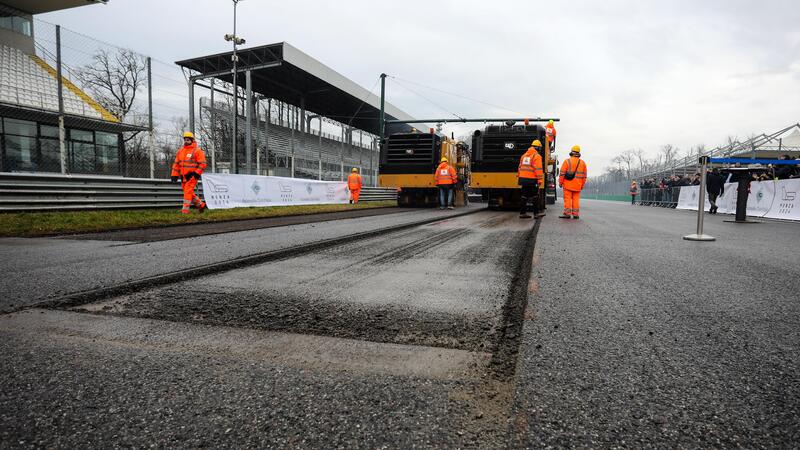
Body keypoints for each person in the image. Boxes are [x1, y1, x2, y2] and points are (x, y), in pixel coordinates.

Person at [171, 131, 207, 214]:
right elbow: (176, 164)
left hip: (192, 176)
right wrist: (174, 175)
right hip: (183, 177)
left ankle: (185, 210)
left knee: (187, 192)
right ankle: (201, 205)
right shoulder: (180, 151)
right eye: (185, 140)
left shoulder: (197, 151)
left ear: (192, 140)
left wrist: (196, 173)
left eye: (188, 140)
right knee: (189, 192)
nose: (186, 141)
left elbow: (203, 164)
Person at [517, 140, 545, 219]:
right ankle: (536, 214)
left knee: (524, 196)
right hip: (532, 180)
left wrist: (520, 177)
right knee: (535, 196)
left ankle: (522, 213)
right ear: (538, 147)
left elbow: (519, 168)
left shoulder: (523, 156)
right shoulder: (537, 156)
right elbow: (538, 169)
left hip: (523, 179)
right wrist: (540, 180)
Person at [558, 145, 587, 219]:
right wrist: (582, 185)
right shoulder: (583, 163)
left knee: (567, 199)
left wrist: (560, 183)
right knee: (576, 200)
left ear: (571, 152)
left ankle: (567, 214)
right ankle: (575, 214)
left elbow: (562, 173)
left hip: (568, 185)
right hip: (578, 185)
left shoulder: (567, 161)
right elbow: (584, 176)